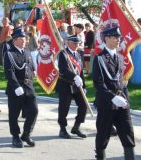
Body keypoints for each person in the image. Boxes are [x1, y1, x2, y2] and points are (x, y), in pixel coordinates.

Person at [92, 26, 135, 160]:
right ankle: (100, 156)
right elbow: (98, 83)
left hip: (121, 101)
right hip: (106, 102)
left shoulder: (120, 58)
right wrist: (112, 97)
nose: (118, 39)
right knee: (103, 133)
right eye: (115, 37)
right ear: (107, 39)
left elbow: (119, 81)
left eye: (119, 37)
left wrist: (124, 98)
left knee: (127, 131)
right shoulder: (99, 58)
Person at [4, 29, 38, 148]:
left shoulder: (27, 51)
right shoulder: (9, 53)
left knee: (34, 110)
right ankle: (15, 136)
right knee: (14, 114)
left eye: (25, 39)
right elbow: (9, 72)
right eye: (21, 39)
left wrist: (34, 70)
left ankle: (26, 134)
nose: (24, 41)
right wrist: (16, 86)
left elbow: (30, 64)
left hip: (28, 87)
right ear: (14, 41)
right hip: (16, 88)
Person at [55, 35, 87, 139]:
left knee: (83, 105)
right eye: (74, 43)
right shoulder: (63, 54)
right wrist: (74, 77)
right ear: (68, 42)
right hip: (65, 84)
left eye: (78, 44)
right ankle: (62, 129)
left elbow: (80, 71)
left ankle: (76, 127)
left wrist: (84, 85)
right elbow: (63, 69)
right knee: (64, 108)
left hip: (77, 85)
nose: (76, 45)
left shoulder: (78, 54)